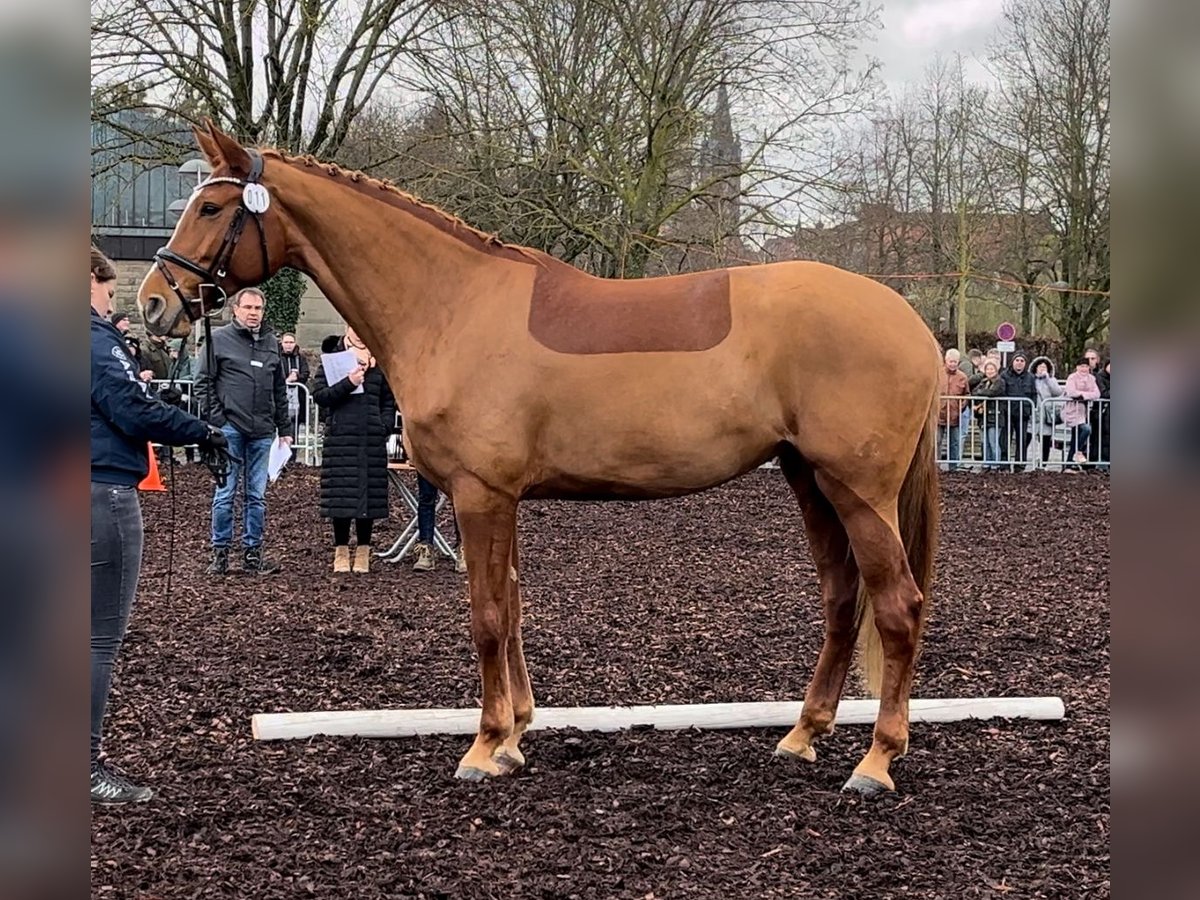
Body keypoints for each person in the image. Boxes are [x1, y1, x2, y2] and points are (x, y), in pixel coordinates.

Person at [90, 245, 227, 803]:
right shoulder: (93, 337)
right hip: (99, 492)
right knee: (97, 639)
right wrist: (203, 432)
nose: (109, 301)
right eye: (107, 289)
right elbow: (131, 408)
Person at [194, 287, 292, 575]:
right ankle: (220, 553)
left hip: (262, 431)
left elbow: (279, 388)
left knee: (257, 495)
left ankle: (252, 554)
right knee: (225, 493)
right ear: (235, 309)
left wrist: (284, 427)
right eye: (248, 307)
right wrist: (219, 421)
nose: (253, 313)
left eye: (258, 308)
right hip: (231, 429)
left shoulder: (271, 342)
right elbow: (202, 383)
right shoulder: (218, 339)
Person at [312, 327, 395, 573]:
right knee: (341, 497)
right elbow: (321, 395)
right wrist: (349, 383)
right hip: (341, 438)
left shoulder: (379, 362)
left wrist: (384, 426)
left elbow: (388, 400)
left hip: (371, 439)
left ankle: (363, 551)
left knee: (367, 496)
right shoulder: (333, 358)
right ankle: (340, 551)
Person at [412, 473, 465, 573]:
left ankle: (463, 550)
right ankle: (425, 550)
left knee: (459, 497)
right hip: (427, 460)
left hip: (454, 460)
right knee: (426, 497)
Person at [1063, 356, 1101, 468]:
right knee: (1086, 429)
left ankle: (1068, 464)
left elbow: (1096, 394)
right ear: (1077, 367)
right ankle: (1078, 452)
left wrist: (1083, 395)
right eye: (1082, 366)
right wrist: (1086, 395)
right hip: (1072, 410)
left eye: (1086, 366)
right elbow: (1071, 392)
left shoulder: (1091, 378)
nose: (1084, 369)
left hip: (1083, 411)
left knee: (1076, 437)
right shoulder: (1072, 377)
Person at [1001, 351, 1037, 470]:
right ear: (1013, 362)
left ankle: (1020, 464)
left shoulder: (1030, 377)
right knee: (1005, 439)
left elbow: (1033, 394)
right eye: (1017, 360)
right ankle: (1004, 464)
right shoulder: (1005, 375)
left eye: (1022, 361)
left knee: (1022, 440)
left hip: (1023, 413)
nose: (1019, 363)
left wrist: (1030, 409)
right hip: (1008, 413)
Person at [937, 348, 970, 471]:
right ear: (946, 361)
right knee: (937, 441)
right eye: (951, 361)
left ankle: (953, 466)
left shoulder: (962, 377)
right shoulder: (938, 374)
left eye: (955, 362)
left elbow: (967, 394)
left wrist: (961, 406)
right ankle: (936, 466)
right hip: (939, 414)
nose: (953, 364)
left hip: (955, 415)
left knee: (954, 442)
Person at [1029, 356, 1065, 464]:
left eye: (1044, 367)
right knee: (1027, 437)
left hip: (1046, 415)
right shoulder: (1031, 379)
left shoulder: (1051, 380)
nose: (1042, 369)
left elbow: (1057, 392)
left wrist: (1048, 379)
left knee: (1045, 440)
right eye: (1040, 367)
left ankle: (1043, 462)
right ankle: (1021, 462)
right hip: (1033, 413)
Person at [971, 359, 1006, 468]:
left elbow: (992, 393)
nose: (990, 371)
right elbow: (974, 392)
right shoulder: (983, 382)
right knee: (985, 442)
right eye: (987, 369)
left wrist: (980, 394)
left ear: (996, 370)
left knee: (993, 442)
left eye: (992, 369)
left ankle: (995, 465)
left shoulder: (1000, 382)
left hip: (995, 415)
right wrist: (980, 394)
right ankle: (986, 464)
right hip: (984, 416)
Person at [279, 332, 309, 444]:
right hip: (281, 398)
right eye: (286, 342)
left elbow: (306, 373)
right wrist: (286, 380)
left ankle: (293, 458)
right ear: (281, 343)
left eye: (291, 342)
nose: (288, 345)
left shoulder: (300, 357)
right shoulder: (277, 357)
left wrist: (296, 378)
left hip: (298, 399)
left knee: (294, 429)